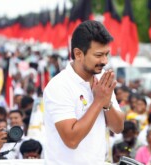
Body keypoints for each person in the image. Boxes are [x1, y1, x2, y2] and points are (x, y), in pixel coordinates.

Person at [43, 20, 125, 164]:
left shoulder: (102, 79)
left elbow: (118, 127)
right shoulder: (59, 86)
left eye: (107, 54)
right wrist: (98, 102)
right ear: (78, 54)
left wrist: (107, 104)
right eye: (99, 55)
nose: (105, 61)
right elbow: (72, 140)